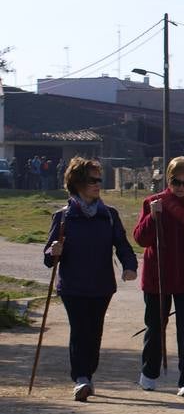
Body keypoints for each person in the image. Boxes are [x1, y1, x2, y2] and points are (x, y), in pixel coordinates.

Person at [43, 157, 138, 400]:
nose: (97, 184)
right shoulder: (63, 217)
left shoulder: (109, 215)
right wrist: (53, 251)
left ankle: (88, 375)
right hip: (72, 286)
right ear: (77, 183)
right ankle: (81, 378)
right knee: (79, 329)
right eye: (91, 180)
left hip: (101, 285)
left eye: (99, 179)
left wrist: (130, 266)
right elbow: (48, 257)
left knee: (94, 331)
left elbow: (122, 245)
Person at [133, 155, 184, 397]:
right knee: (155, 327)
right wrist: (151, 218)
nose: (182, 188)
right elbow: (140, 238)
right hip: (157, 277)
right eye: (177, 182)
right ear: (168, 179)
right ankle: (149, 373)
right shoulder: (152, 202)